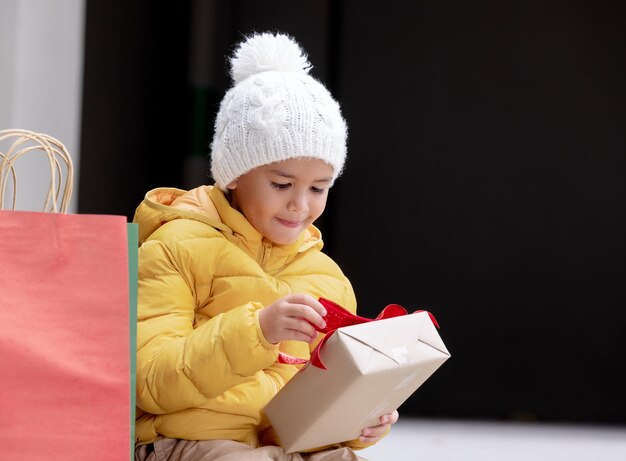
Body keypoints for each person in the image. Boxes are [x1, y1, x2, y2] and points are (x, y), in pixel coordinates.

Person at [133, 31, 399, 461]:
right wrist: (256, 332)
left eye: (319, 187)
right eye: (281, 184)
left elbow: (320, 404)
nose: (300, 204)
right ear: (234, 173)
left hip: (283, 445)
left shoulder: (327, 278)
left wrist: (359, 423)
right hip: (187, 441)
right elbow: (149, 382)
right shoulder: (176, 245)